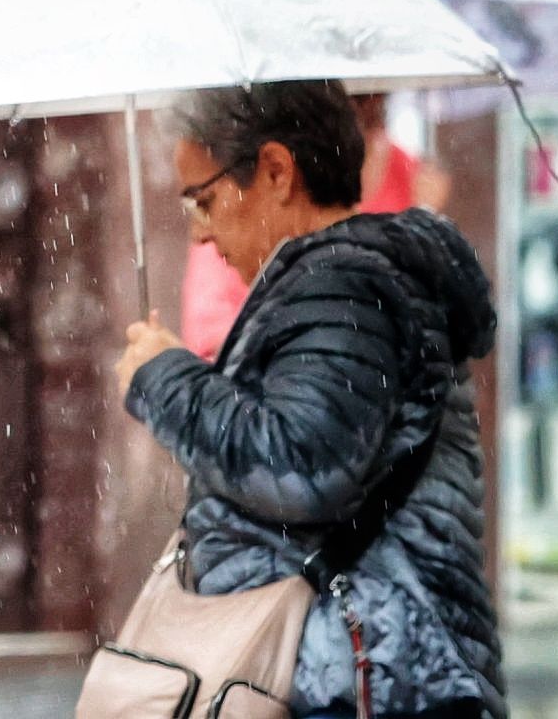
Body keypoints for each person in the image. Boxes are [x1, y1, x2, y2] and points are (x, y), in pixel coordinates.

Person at [114, 80, 505, 719]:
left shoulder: (343, 289)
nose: (200, 236)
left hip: (365, 680)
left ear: (274, 170)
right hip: (364, 674)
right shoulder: (336, 282)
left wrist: (163, 377)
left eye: (204, 201)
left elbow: (301, 468)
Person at [179, 93, 449, 359]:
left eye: (206, 202)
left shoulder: (413, 177)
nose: (200, 232)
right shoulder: (243, 225)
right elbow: (208, 334)